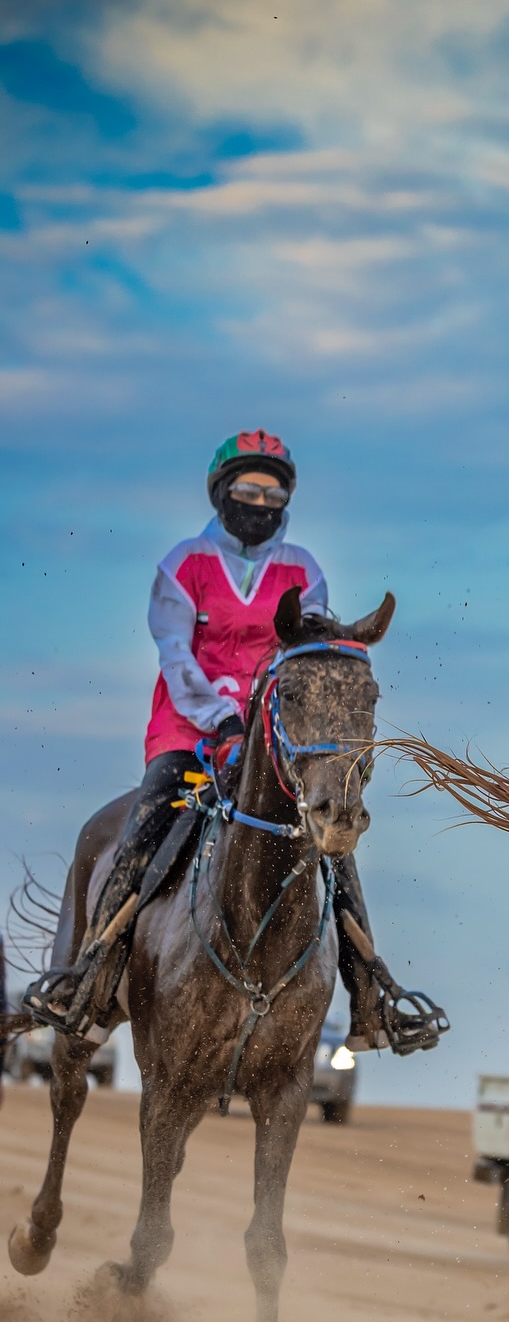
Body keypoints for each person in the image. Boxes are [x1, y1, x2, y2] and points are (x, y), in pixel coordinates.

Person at [24, 431, 445, 1056]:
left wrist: (270, 727)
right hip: (187, 733)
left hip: (272, 740)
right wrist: (221, 719)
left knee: (333, 843)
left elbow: (309, 662)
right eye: (249, 490)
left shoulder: (304, 569)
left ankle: (370, 1000)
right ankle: (89, 976)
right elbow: (175, 657)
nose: (261, 503)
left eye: (273, 494)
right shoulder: (184, 565)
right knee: (142, 831)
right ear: (222, 492)